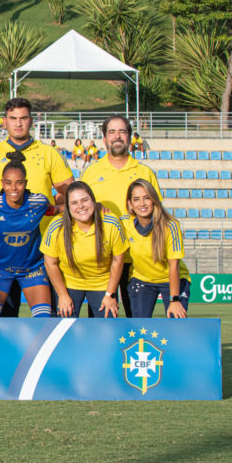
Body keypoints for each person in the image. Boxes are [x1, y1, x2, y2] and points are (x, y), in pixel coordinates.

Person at [0, 97, 73, 317]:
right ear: (4, 122)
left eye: (23, 118)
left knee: (45, 318)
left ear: (31, 121)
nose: (18, 123)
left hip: (40, 252)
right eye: (13, 119)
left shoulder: (48, 153)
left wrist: (45, 207)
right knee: (1, 320)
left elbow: (69, 192)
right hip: (2, 254)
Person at [81, 115, 162, 318]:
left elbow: (158, 215)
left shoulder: (144, 172)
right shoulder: (91, 172)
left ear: (129, 137)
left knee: (136, 320)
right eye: (112, 132)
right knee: (102, 320)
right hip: (103, 259)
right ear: (104, 138)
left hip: (135, 260)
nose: (117, 136)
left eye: (122, 132)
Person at [0, 152, 57, 318]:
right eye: (9, 183)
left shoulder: (39, 202)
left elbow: (56, 210)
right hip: (0, 271)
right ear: (2, 184)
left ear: (25, 183)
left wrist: (93, 206)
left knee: (44, 320)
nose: (14, 188)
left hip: (32, 270)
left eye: (19, 183)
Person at [40, 181, 128, 318]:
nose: (80, 206)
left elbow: (118, 261)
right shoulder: (57, 226)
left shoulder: (111, 223)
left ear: (94, 201)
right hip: (70, 282)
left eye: (85, 200)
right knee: (64, 323)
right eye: (74, 203)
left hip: (101, 283)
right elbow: (50, 263)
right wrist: (62, 295)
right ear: (67, 207)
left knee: (108, 325)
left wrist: (110, 294)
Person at [121, 179, 188, 318]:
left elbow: (173, 265)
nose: (142, 204)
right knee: (139, 326)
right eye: (136, 199)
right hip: (141, 280)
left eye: (147, 198)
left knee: (176, 322)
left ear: (154, 200)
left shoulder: (171, 226)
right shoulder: (124, 223)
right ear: (130, 204)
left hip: (171, 280)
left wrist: (174, 299)